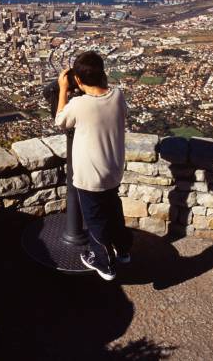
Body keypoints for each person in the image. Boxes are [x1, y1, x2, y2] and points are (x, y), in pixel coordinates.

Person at [55, 51, 132, 281]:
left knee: (95, 219)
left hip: (90, 176)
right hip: (113, 169)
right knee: (113, 211)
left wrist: (62, 89)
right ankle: (123, 250)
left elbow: (60, 121)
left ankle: (104, 263)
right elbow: (115, 106)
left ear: (78, 80)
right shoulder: (117, 95)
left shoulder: (78, 105)